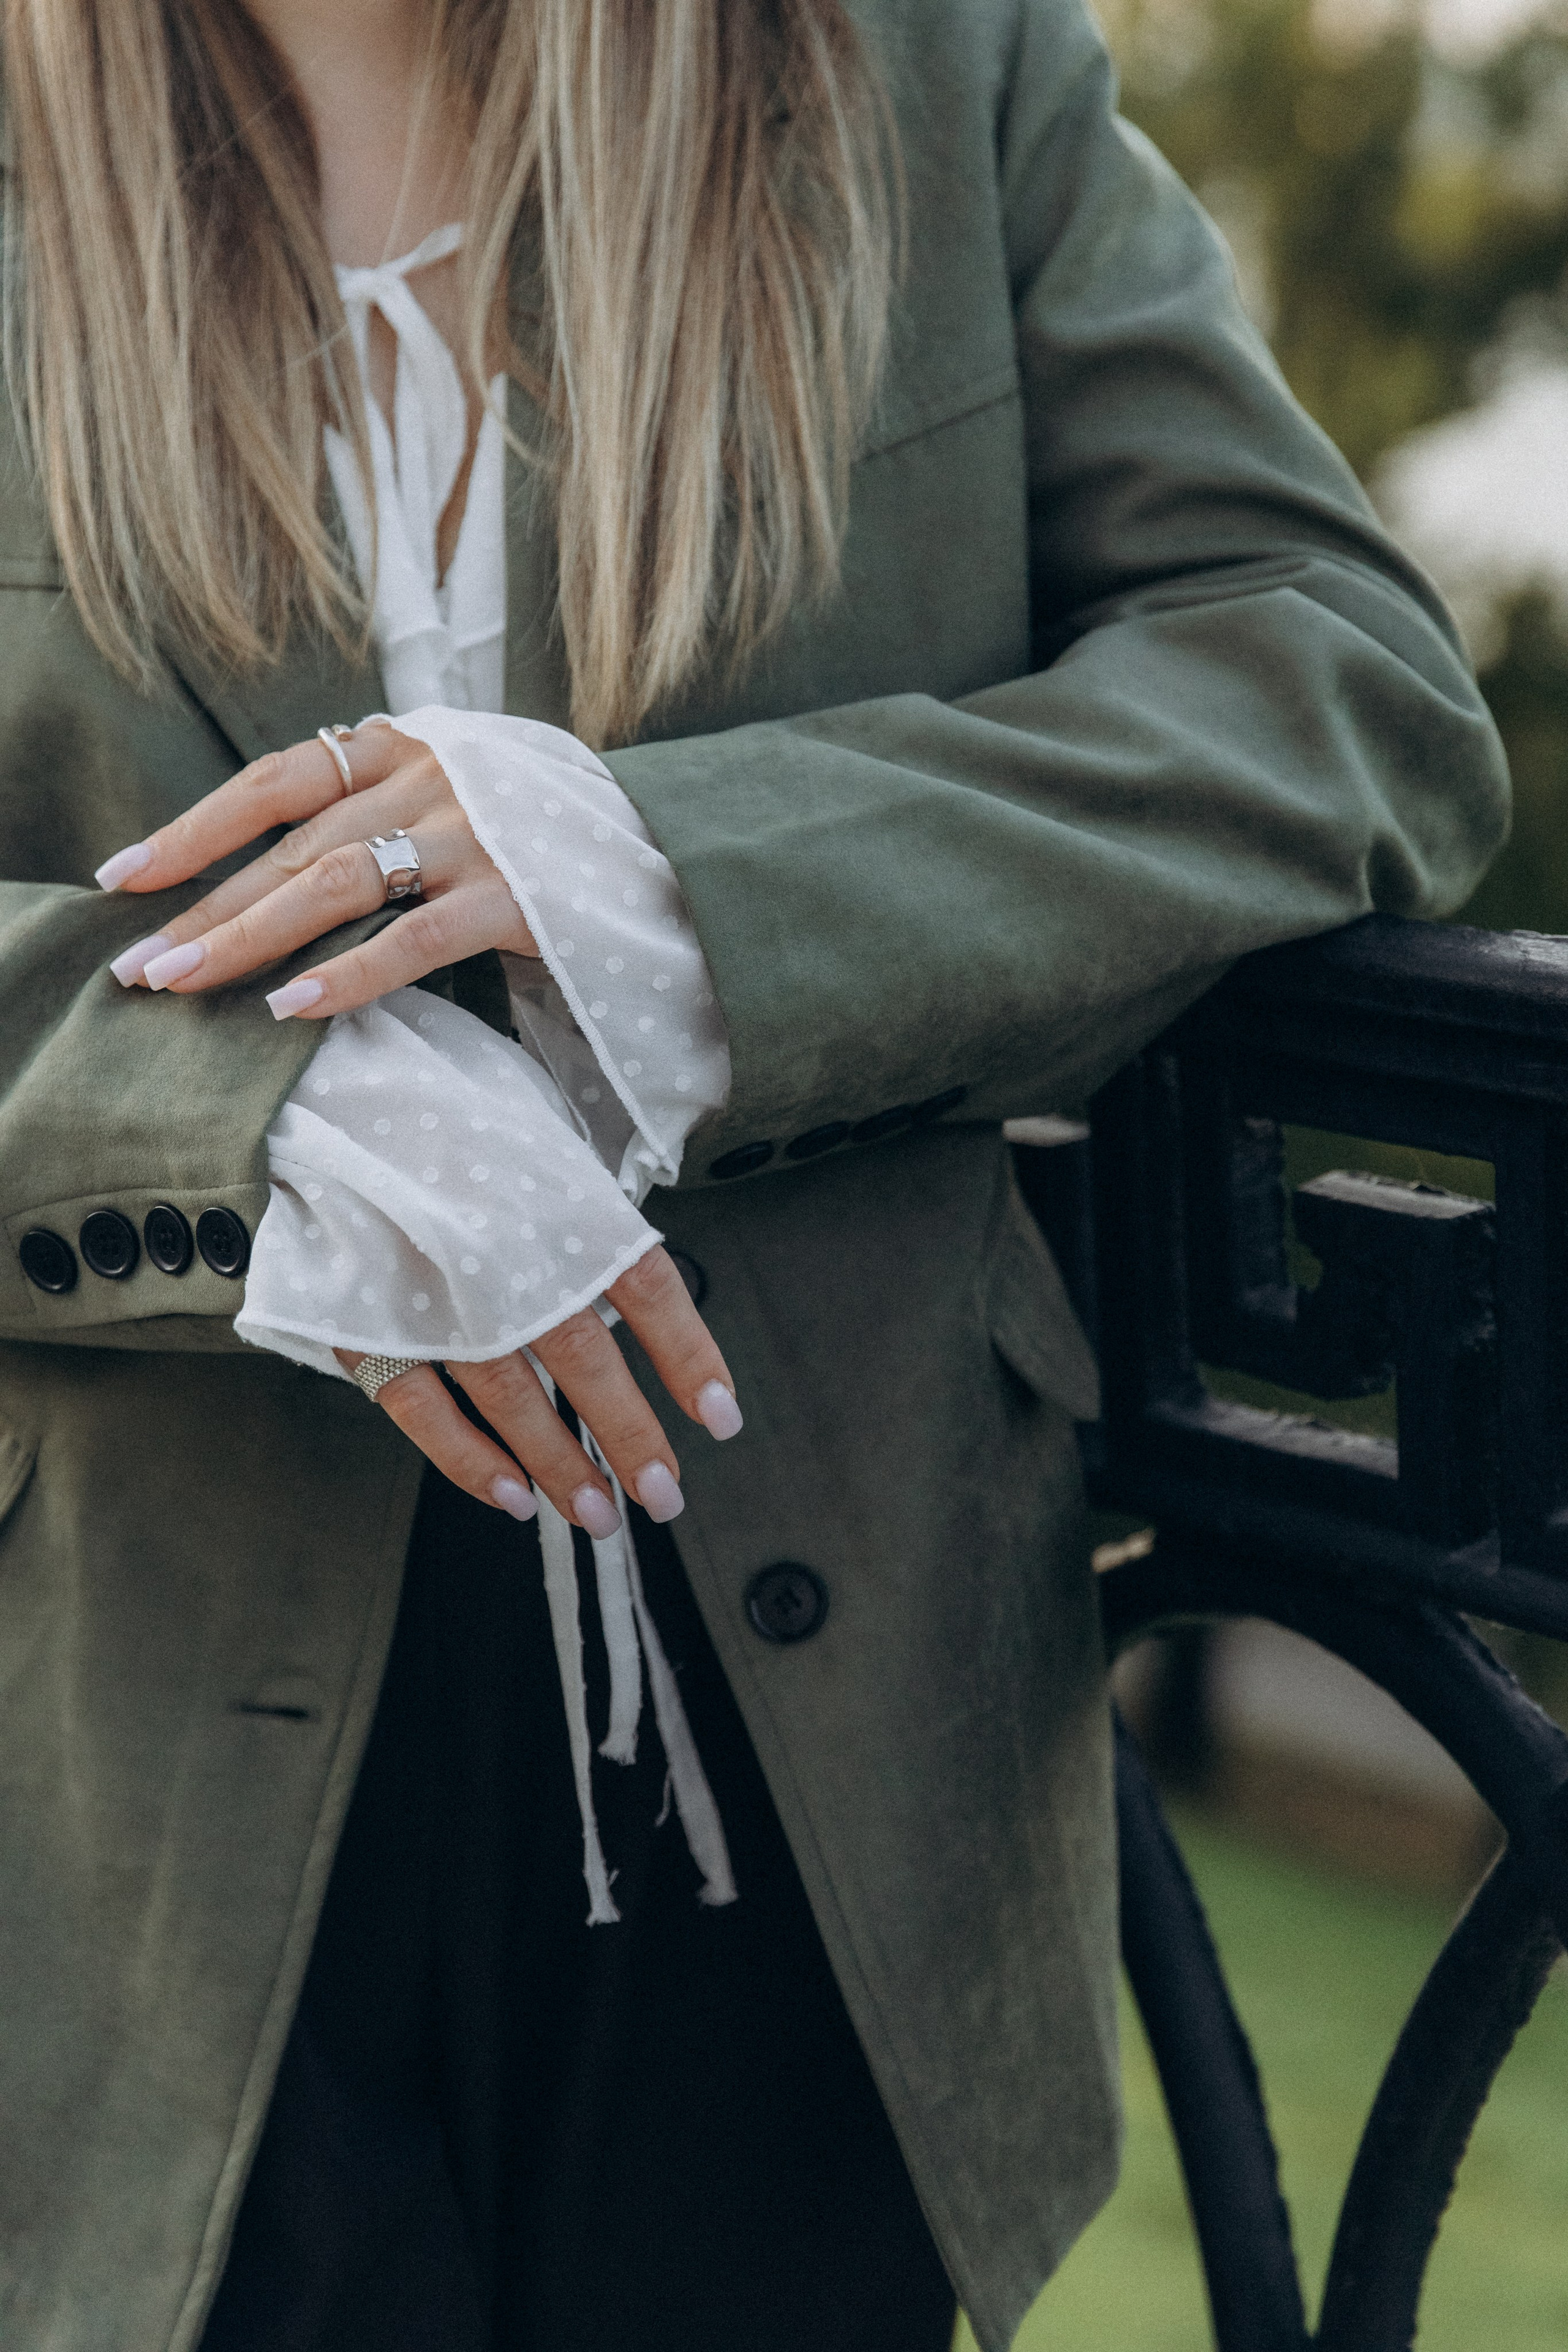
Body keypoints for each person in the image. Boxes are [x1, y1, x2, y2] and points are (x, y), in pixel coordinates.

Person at [0, 1, 1508, 2348]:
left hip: (833, 1727)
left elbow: (1335, 687)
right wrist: (238, 1105)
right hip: (109, 1775)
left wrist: (692, 883)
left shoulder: (933, 68)